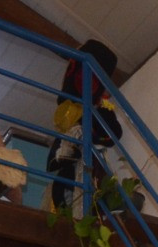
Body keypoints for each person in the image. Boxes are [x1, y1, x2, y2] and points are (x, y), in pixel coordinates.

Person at [47, 40, 123, 211]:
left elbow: (113, 134)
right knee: (73, 185)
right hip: (73, 171)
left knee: (93, 185)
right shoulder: (72, 110)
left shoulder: (100, 111)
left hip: (89, 167)